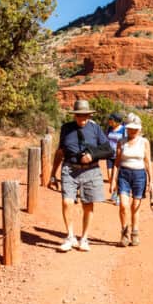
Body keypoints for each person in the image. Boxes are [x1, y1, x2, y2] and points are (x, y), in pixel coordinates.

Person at [46, 99, 108, 252]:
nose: (83, 118)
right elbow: (60, 152)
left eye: (86, 115)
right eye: (80, 115)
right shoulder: (66, 128)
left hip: (90, 170)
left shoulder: (95, 129)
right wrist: (53, 174)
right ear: (74, 115)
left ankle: (84, 238)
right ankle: (70, 236)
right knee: (67, 202)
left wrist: (92, 156)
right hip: (70, 170)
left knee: (88, 204)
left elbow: (108, 149)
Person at [112, 113, 153, 247]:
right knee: (123, 205)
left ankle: (135, 233)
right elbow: (116, 163)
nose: (133, 131)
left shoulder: (144, 142)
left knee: (135, 205)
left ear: (140, 129)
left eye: (135, 128)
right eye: (130, 128)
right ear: (126, 128)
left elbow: (148, 162)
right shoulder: (121, 142)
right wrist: (113, 180)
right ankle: (124, 234)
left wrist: (151, 181)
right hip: (124, 174)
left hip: (139, 175)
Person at [104, 112, 127, 200]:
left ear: (116, 121)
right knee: (110, 176)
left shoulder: (123, 129)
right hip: (109, 155)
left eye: (111, 119)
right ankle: (114, 190)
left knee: (116, 175)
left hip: (119, 156)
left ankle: (117, 194)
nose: (109, 121)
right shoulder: (109, 128)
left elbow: (125, 141)